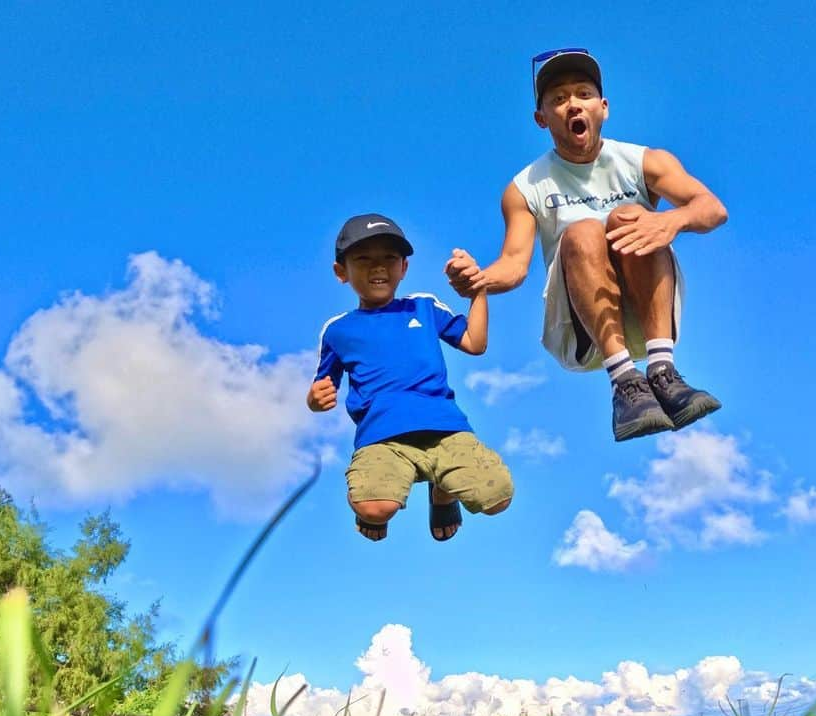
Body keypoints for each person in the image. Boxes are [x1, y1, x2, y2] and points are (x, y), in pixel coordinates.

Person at [446, 48, 728, 443]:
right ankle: (625, 385)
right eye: (558, 100)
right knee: (582, 231)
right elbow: (513, 264)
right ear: (541, 118)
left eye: (583, 94)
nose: (573, 105)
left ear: (604, 107)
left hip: (649, 313)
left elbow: (712, 208)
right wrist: (479, 279)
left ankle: (663, 372)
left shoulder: (643, 161)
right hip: (582, 329)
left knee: (628, 217)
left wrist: (670, 221)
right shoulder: (525, 187)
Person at [307, 214, 513, 542]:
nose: (378, 268)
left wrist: (479, 292)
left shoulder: (423, 308)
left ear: (403, 267)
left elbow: (474, 343)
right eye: (363, 259)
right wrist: (316, 399)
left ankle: (442, 490)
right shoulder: (337, 330)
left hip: (444, 429)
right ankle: (379, 498)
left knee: (497, 497)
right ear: (341, 272)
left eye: (389, 258)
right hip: (382, 437)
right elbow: (322, 387)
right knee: (374, 507)